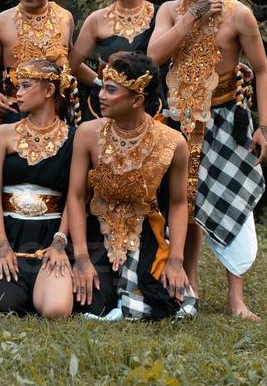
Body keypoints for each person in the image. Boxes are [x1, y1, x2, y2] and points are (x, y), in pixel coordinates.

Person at [147, 0, 267, 320]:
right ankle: (190, 281)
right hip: (179, 121)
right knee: (185, 201)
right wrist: (192, 17)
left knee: (235, 202)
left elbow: (263, 72)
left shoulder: (239, 14)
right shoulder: (170, 10)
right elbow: (154, 56)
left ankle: (237, 298)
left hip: (226, 119)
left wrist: (263, 127)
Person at [66, 52, 196, 321]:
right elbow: (76, 197)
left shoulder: (173, 142)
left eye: (111, 90)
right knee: (90, 304)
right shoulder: (88, 133)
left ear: (137, 99)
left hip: (147, 232)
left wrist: (175, 260)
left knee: (172, 304)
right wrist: (81, 258)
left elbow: (178, 203)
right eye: (103, 86)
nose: (101, 95)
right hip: (97, 231)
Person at [0, 59, 75, 318]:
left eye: (25, 86)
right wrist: (1, 244)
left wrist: (60, 241)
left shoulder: (74, 137)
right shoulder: (4, 133)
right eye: (17, 87)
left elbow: (75, 196)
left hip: (50, 235)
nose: (18, 94)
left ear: (48, 91)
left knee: (55, 311)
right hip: (10, 233)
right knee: (3, 308)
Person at [69, 0, 162, 117]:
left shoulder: (161, 15)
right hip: (106, 108)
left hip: (149, 105)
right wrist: (100, 82)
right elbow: (70, 66)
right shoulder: (97, 19)